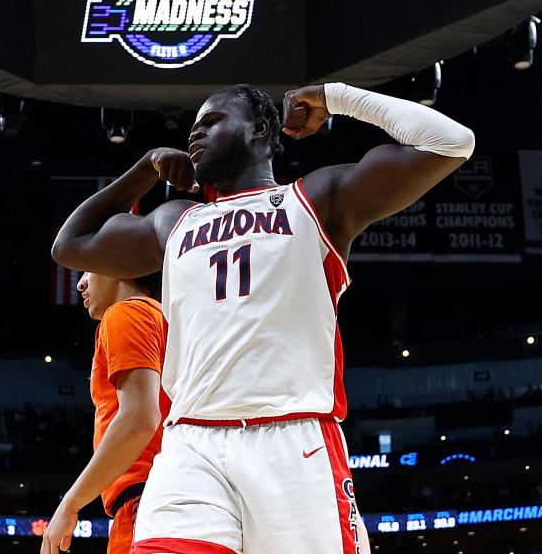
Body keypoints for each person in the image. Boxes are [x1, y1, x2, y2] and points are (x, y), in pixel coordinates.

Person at [52, 82, 475, 553]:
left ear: (258, 129)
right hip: (191, 445)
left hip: (293, 439)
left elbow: (450, 141)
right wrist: (144, 170)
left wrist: (336, 98)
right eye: (194, 126)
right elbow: (68, 246)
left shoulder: (317, 199)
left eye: (211, 122)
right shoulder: (175, 220)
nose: (195, 133)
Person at [41, 271, 166, 554]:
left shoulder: (127, 311)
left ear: (117, 264)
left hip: (144, 497)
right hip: (169, 493)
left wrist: (70, 504)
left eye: (88, 269)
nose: (80, 283)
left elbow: (138, 419)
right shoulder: (166, 317)